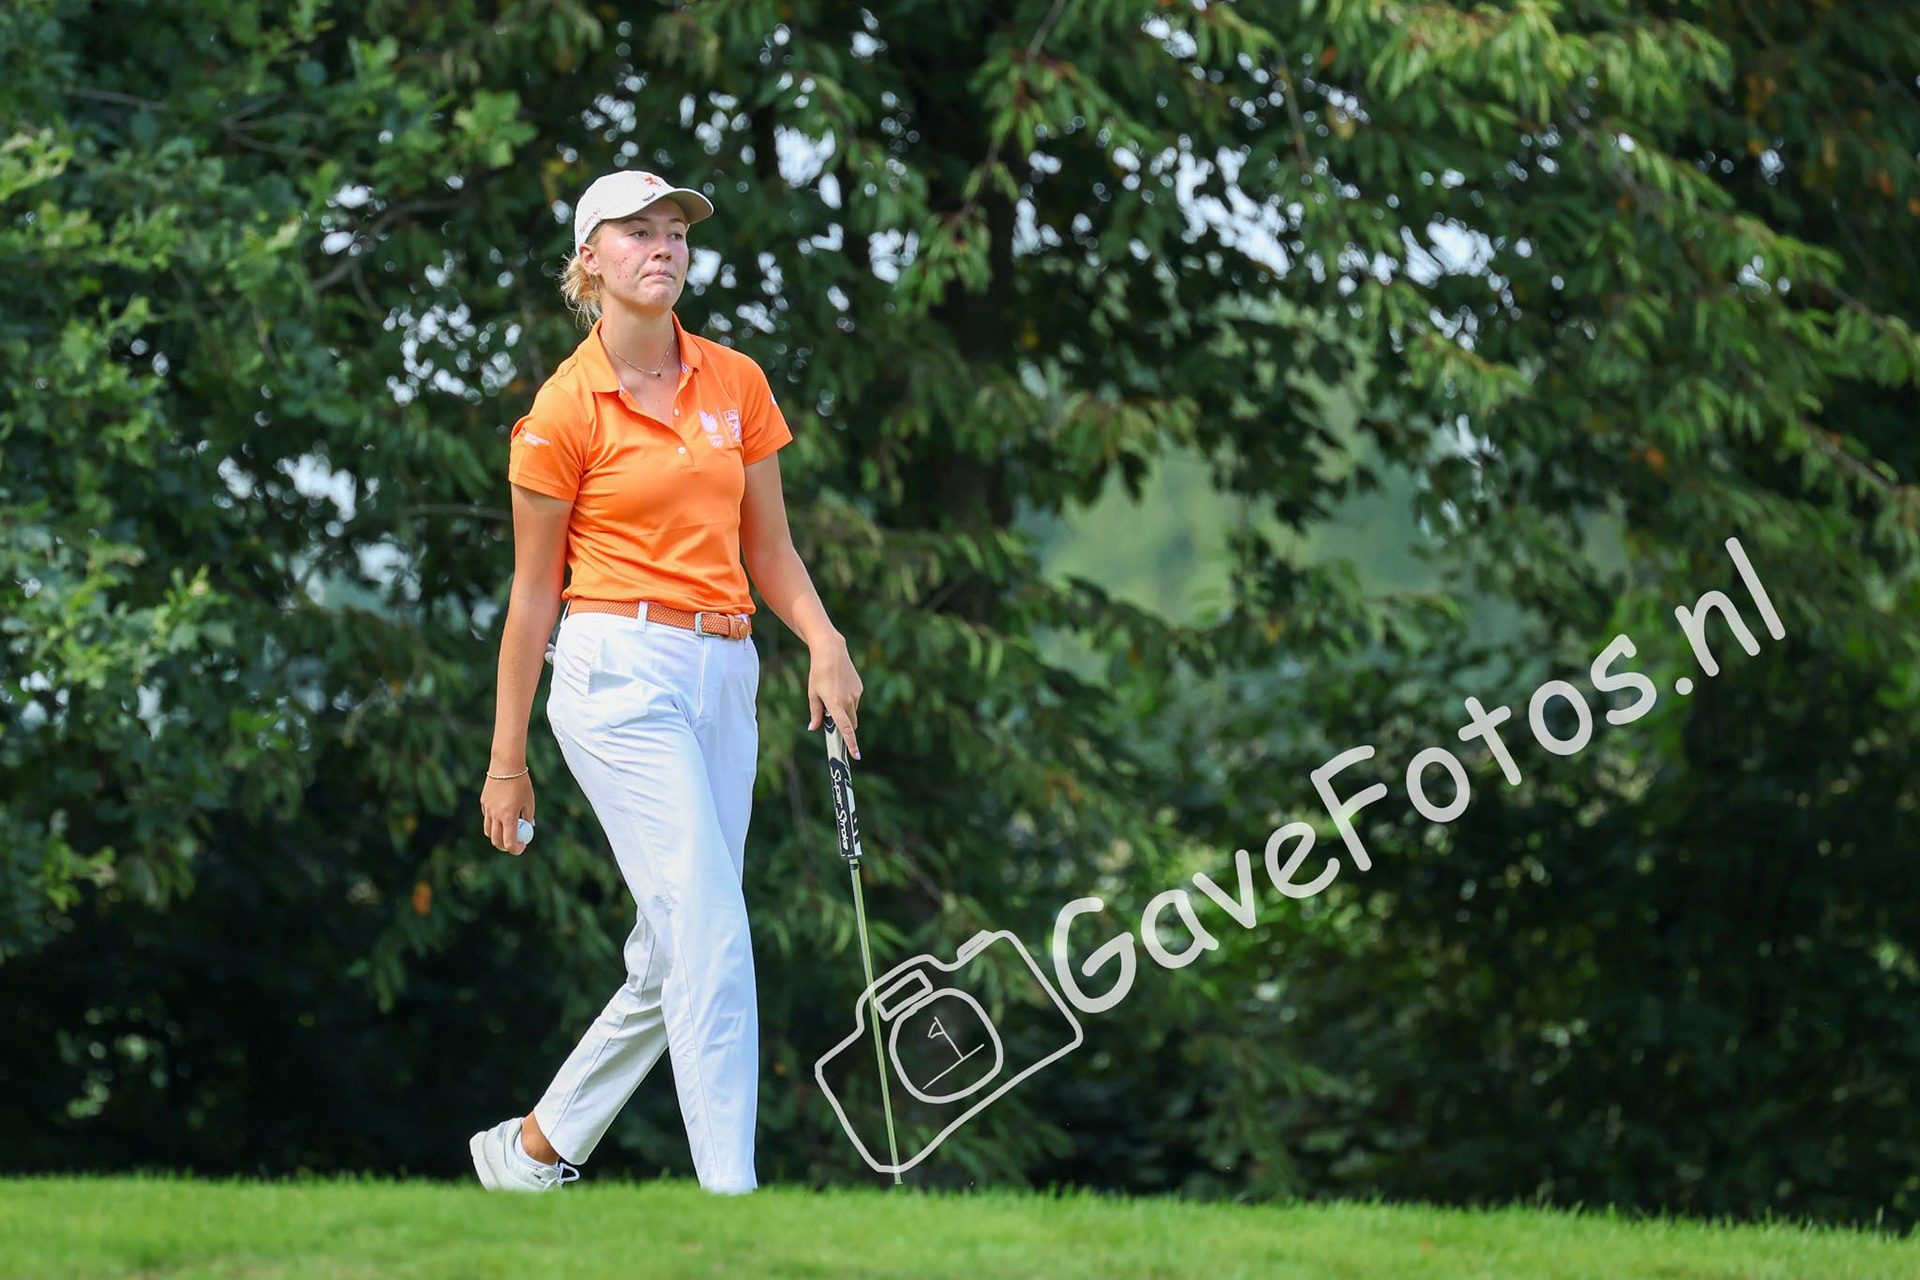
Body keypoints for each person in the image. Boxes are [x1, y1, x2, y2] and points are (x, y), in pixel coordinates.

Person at [468, 169, 865, 1195]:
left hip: (724, 668)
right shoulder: (561, 411)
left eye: (675, 231)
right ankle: (734, 1198)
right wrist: (506, 763)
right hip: (614, 673)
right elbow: (529, 600)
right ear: (589, 260)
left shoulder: (735, 380)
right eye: (636, 232)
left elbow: (769, 546)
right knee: (713, 926)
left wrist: (824, 640)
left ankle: (535, 1150)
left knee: (678, 940)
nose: (664, 247)